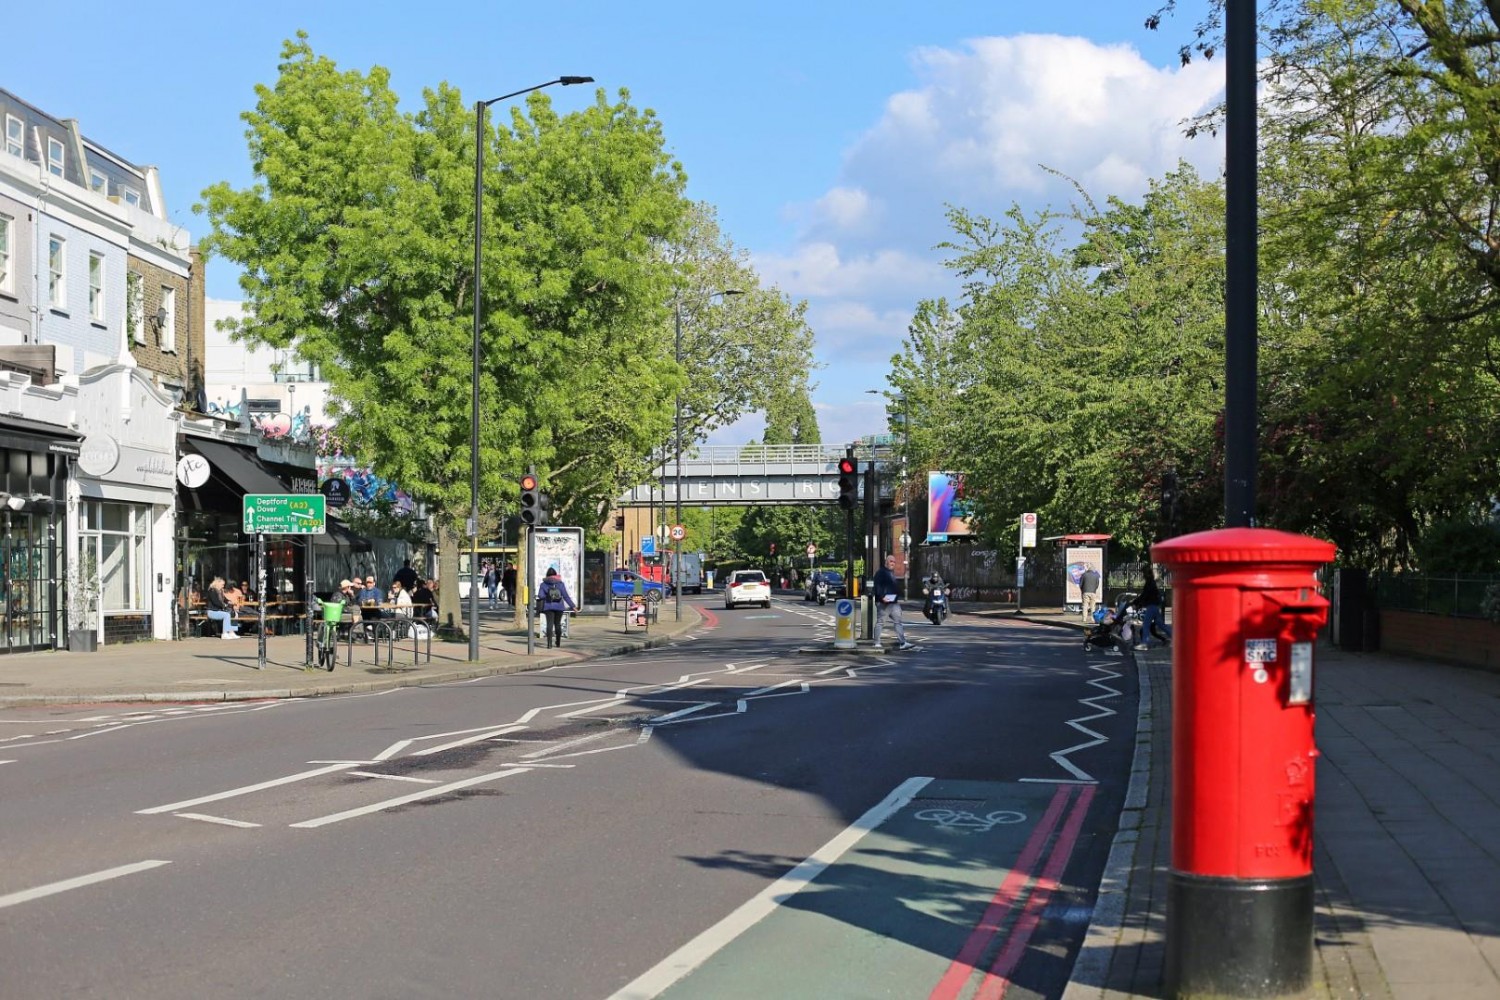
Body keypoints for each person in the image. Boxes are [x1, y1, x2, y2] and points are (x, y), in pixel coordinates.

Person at [873, 554, 914, 651]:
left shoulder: (891, 573)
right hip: (884, 602)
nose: (893, 563)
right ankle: (877, 643)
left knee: (898, 622)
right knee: (881, 622)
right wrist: (882, 597)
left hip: (893, 602)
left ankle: (902, 642)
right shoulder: (881, 572)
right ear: (886, 562)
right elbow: (877, 586)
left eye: (894, 562)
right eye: (891, 561)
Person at [1132, 566, 1172, 650]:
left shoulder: (1150, 583)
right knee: (1160, 624)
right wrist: (1137, 602)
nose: (1142, 575)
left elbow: (1145, 595)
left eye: (1143, 573)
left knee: (1146, 624)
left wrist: (1135, 602)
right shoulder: (1151, 582)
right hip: (1155, 605)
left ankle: (1145, 643)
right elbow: (1145, 595)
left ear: (1147, 574)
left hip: (1152, 606)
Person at [537, 567, 577, 649]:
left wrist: (547, 595)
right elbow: (566, 596)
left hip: (548, 606)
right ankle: (558, 642)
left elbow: (540, 595)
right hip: (559, 607)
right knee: (557, 624)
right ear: (555, 574)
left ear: (547, 575)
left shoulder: (543, 584)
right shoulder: (560, 584)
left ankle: (549, 644)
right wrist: (573, 606)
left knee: (549, 624)